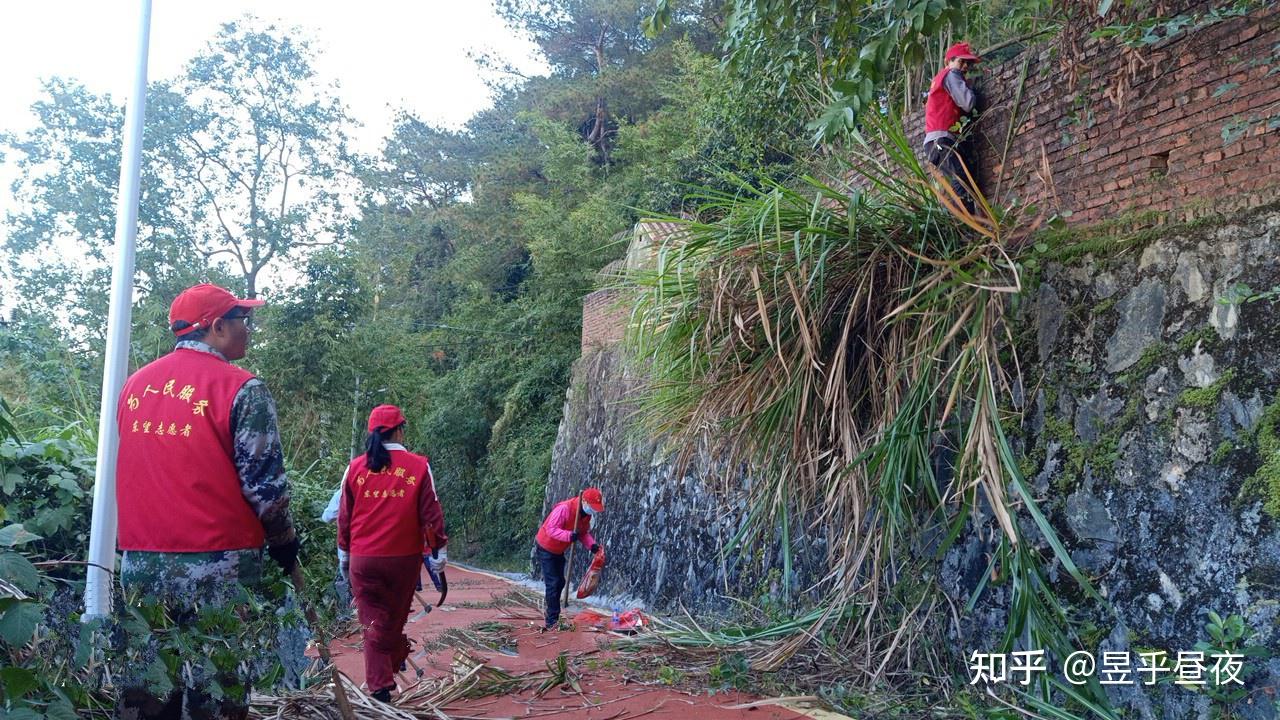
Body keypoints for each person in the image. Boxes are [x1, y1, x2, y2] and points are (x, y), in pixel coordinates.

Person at [115, 283, 298, 720]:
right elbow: (265, 487)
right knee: (216, 689)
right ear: (217, 326)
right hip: (221, 566)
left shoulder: (133, 387)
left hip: (141, 564)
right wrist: (285, 542)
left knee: (149, 689)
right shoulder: (242, 388)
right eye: (243, 321)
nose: (248, 330)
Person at [337, 405, 447, 703]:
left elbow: (344, 518)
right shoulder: (419, 466)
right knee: (392, 621)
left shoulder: (356, 468)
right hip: (402, 559)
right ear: (400, 429)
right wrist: (438, 552)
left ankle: (385, 673)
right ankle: (381, 685)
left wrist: (343, 557)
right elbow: (431, 513)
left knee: (372, 622)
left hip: (363, 559)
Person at [534, 488, 605, 631]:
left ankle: (554, 613)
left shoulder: (585, 515)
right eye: (592, 507)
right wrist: (568, 536)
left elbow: (583, 533)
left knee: (560, 582)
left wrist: (592, 546)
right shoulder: (564, 509)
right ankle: (552, 621)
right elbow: (550, 529)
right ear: (584, 501)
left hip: (559, 550)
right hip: (546, 548)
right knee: (553, 583)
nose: (593, 511)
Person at [924, 42, 982, 209]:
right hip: (941, 140)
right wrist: (972, 89)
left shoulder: (941, 79)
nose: (964, 66)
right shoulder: (951, 74)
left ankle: (965, 226)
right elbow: (968, 103)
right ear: (949, 61)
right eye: (961, 62)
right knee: (961, 182)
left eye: (967, 64)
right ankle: (966, 227)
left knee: (961, 182)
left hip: (938, 142)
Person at [321, 484, 354, 617]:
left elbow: (327, 517)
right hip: (374, 545)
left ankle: (347, 614)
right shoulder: (373, 490)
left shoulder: (341, 494)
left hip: (349, 547)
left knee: (343, 581)